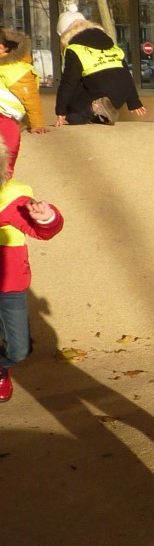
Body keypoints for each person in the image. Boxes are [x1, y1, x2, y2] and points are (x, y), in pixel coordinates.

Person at [0, 128, 63, 402]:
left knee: (18, 349)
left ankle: (2, 368)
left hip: (8, 284)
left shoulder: (11, 196)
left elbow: (43, 231)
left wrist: (46, 217)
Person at [53, 6, 147, 126]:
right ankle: (100, 111)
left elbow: (68, 83)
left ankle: (95, 108)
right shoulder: (111, 45)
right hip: (119, 96)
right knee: (91, 81)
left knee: (72, 115)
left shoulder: (75, 49)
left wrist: (61, 109)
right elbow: (126, 74)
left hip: (101, 91)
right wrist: (134, 102)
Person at [0, 26, 48, 145]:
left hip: (8, 115)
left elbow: (30, 99)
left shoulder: (17, 69)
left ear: (3, 48)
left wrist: (37, 124)